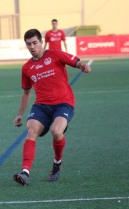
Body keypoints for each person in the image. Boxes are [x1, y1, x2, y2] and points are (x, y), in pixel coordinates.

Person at [13, 29, 91, 186]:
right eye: (29, 44)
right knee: (31, 130)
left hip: (63, 102)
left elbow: (76, 62)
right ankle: (25, 173)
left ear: (41, 42)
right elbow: (26, 93)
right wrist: (20, 114)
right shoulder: (26, 68)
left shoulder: (55, 54)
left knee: (56, 131)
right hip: (42, 106)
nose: (32, 46)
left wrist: (82, 66)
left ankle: (57, 163)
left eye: (35, 43)